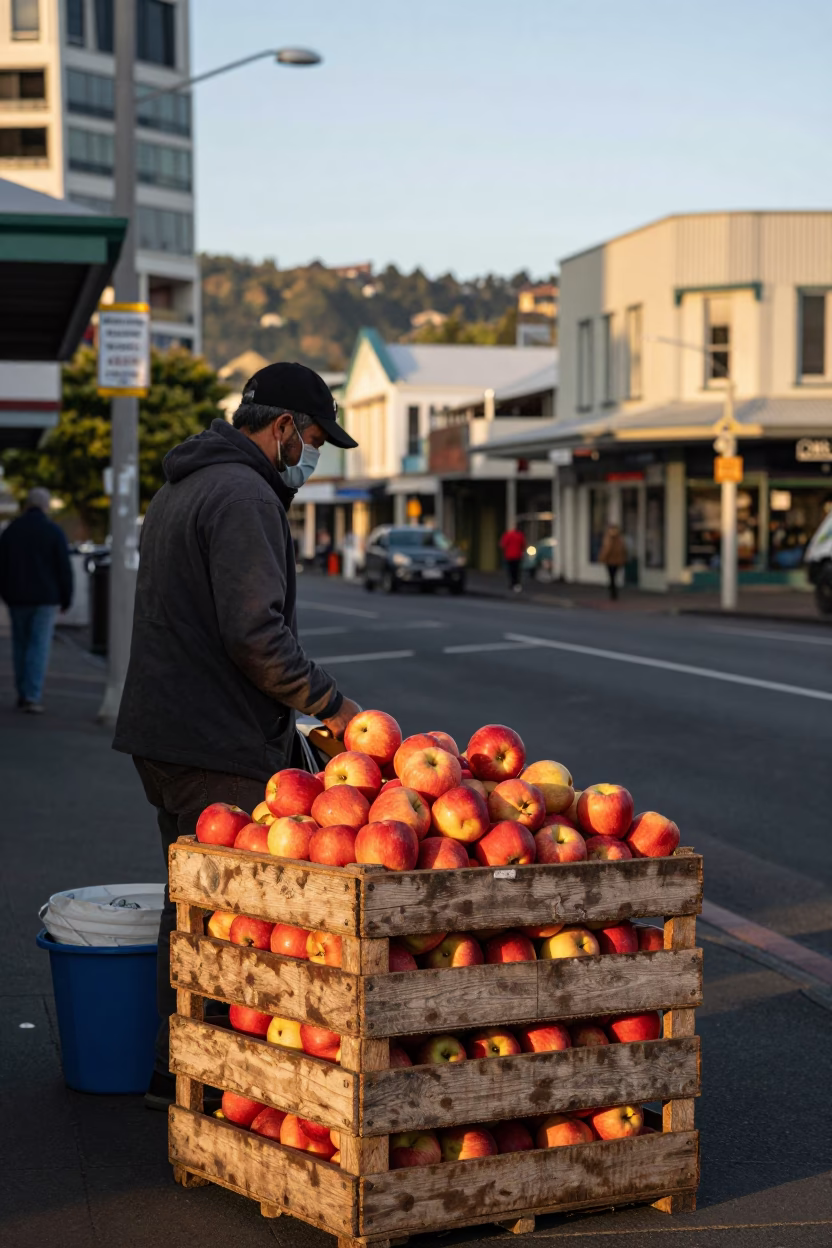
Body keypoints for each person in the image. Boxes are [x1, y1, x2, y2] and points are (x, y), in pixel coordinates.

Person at [112, 361, 361, 1109]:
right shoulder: (245, 494)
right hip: (214, 744)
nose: (312, 457)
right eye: (313, 439)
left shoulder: (185, 483)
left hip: (166, 733)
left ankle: (175, 1067)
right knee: (232, 922)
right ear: (282, 426)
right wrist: (333, 708)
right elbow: (256, 635)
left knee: (191, 907)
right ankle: (209, 1082)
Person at [0, 487, 72, 713]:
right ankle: (32, 695)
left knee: (20, 644)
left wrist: (6, 593)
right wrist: (66, 598)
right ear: (45, 505)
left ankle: (22, 691)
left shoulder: (11, 531)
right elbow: (64, 568)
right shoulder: (53, 531)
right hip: (45, 598)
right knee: (38, 646)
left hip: (16, 597)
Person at [599, 523, 628, 600]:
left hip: (611, 561)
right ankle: (613, 592)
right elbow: (624, 550)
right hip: (615, 561)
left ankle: (613, 592)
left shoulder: (610, 539)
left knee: (612, 577)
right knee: (613, 577)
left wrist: (602, 558)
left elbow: (607, 549)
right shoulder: (620, 539)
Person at [500, 524, 526, 593]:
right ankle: (516, 583)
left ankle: (512, 583)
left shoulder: (508, 535)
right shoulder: (520, 536)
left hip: (509, 555)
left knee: (510, 570)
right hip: (517, 556)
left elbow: (503, 544)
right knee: (517, 570)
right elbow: (523, 545)